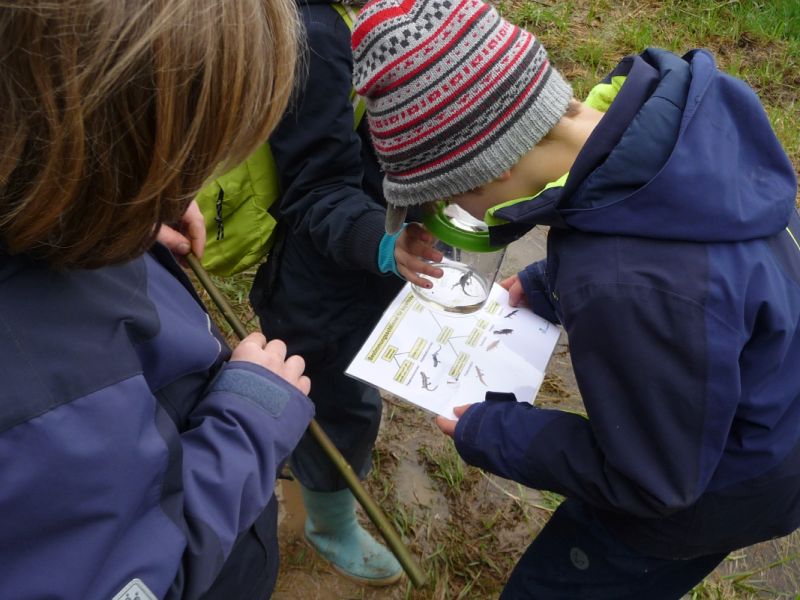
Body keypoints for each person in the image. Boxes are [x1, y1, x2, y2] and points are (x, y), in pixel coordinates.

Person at [350, 0, 800, 597]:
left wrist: (497, 432)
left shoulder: (622, 284)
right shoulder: (666, 136)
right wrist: (544, 285)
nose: (452, 219)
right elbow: (686, 272)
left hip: (713, 493)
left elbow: (652, 482)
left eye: (443, 202)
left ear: (480, 176)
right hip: (771, 421)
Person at [0, 1, 316, 599]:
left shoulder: (48, 210)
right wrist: (249, 422)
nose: (189, 185)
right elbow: (146, 582)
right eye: (179, 160)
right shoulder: (41, 407)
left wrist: (129, 207)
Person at [247, 0, 442, 586]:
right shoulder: (317, 37)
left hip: (367, 258)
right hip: (326, 282)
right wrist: (385, 247)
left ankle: (292, 453)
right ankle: (327, 523)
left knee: (325, 392)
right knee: (340, 402)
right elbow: (314, 189)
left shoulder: (362, 19)